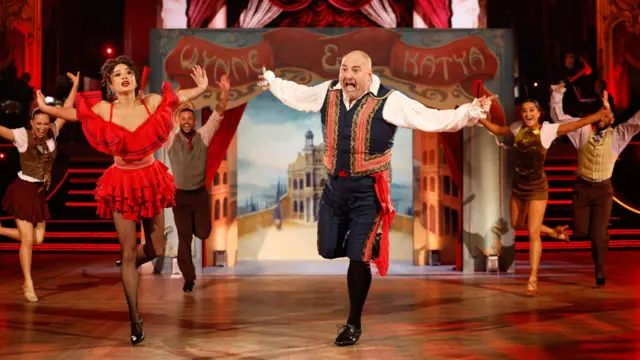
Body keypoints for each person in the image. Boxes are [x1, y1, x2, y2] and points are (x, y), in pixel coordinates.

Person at [257, 50, 494, 347]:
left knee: (358, 258)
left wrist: (470, 111)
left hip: (369, 191)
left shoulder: (389, 100)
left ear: (369, 74)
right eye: (344, 68)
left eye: (355, 70)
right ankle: (369, 244)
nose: (347, 75)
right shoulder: (328, 92)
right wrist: (272, 81)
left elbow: (429, 118)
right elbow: (299, 95)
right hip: (333, 189)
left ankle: (353, 322)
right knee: (327, 249)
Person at [34, 55, 209, 345]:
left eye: (128, 72)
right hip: (121, 183)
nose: (124, 76)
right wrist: (44, 107)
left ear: (135, 79)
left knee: (155, 248)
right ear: (110, 84)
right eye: (117, 74)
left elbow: (177, 98)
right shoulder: (105, 109)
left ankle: (133, 259)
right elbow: (77, 114)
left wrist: (201, 88)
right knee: (128, 253)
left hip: (151, 179)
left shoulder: (151, 102)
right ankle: (135, 317)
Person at [479, 97, 611, 296]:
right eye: (524, 110)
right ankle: (552, 232)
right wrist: (477, 117)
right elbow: (497, 130)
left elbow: (576, 124)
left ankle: (532, 278)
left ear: (539, 113)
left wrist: (598, 115)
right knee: (516, 223)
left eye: (532, 110)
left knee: (533, 233)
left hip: (538, 187)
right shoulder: (516, 128)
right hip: (518, 185)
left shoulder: (547, 130)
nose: (528, 114)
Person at [550, 83, 640, 286]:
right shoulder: (582, 131)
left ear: (612, 119)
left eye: (607, 114)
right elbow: (559, 119)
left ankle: (599, 271)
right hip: (582, 188)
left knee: (599, 236)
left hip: (603, 191)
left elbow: (637, 122)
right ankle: (588, 231)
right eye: (600, 112)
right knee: (581, 231)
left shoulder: (618, 135)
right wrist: (557, 93)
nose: (602, 117)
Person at [0, 73, 79, 302]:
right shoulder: (21, 136)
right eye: (39, 124)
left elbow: (66, 108)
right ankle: (28, 284)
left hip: (39, 193)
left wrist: (75, 86)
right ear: (32, 123)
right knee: (27, 241)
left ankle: (1, 231)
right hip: (23, 190)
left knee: (39, 239)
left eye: (46, 123)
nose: (43, 128)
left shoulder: (53, 131)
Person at [164, 74, 230, 292]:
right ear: (177, 121)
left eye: (189, 119)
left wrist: (225, 93)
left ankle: (194, 226)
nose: (186, 121)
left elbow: (218, 113)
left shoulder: (203, 136)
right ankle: (189, 279)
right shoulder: (170, 138)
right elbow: (159, 115)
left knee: (202, 233)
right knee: (184, 239)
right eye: (182, 119)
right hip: (180, 197)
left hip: (200, 195)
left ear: (194, 121)